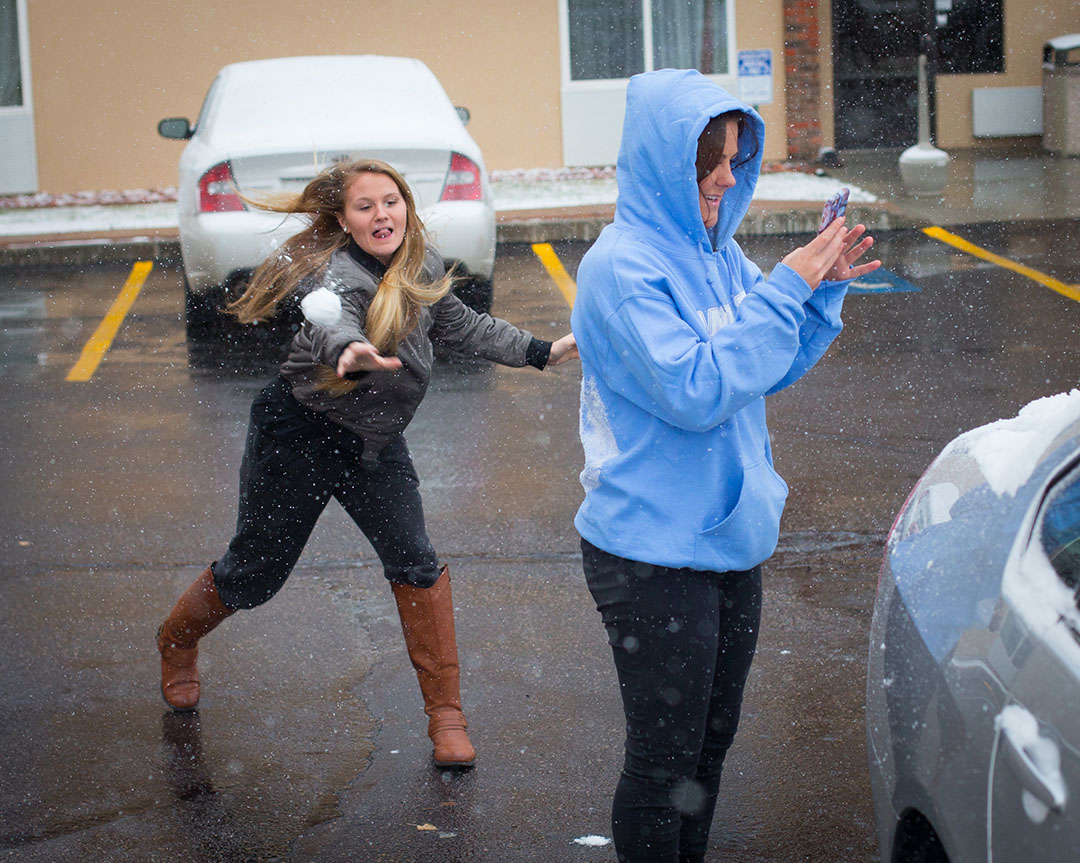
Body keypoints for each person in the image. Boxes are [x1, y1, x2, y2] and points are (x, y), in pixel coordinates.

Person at [156, 158, 578, 769]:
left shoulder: (420, 266)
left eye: (390, 201)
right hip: (298, 434)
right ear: (344, 220)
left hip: (374, 444)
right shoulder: (334, 278)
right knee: (255, 572)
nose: (382, 215)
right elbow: (333, 322)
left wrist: (544, 352)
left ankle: (446, 717)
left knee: (416, 562)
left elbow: (462, 326)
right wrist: (350, 347)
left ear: (406, 205)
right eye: (365, 206)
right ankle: (175, 640)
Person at [570, 69, 880, 862]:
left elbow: (763, 368)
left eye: (736, 156)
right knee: (662, 758)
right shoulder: (621, 268)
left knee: (707, 751)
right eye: (710, 156)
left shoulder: (721, 253)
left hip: (729, 539)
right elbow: (697, 388)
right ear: (662, 161)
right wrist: (785, 289)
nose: (725, 175)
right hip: (649, 552)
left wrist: (817, 298)